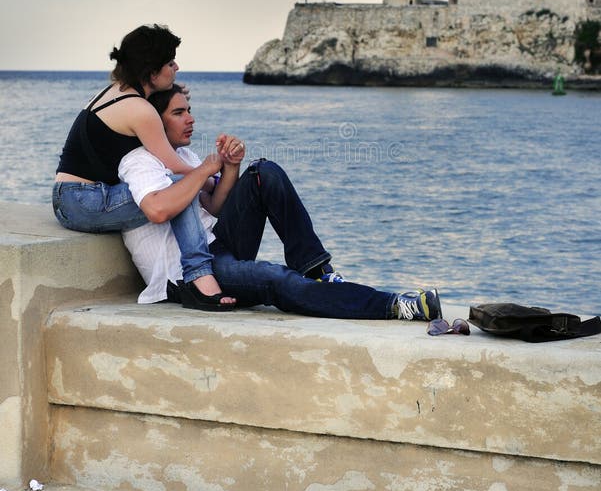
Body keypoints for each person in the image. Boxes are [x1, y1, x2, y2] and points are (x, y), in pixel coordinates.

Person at [118, 84, 443, 321]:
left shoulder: (182, 155)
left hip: (218, 245)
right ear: (153, 122)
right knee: (278, 278)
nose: (190, 119)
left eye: (189, 110)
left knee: (264, 172)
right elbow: (159, 209)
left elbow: (215, 206)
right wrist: (205, 169)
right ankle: (397, 306)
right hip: (190, 275)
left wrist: (231, 166)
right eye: (179, 113)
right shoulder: (139, 162)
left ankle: (318, 269)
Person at [53, 24, 220, 298]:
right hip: (82, 202)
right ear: (151, 72)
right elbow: (173, 165)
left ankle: (198, 272)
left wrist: (171, 91)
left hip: (68, 197)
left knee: (180, 185)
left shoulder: (115, 92)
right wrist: (210, 175)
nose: (176, 66)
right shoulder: (140, 110)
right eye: (169, 62)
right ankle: (198, 274)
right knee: (181, 185)